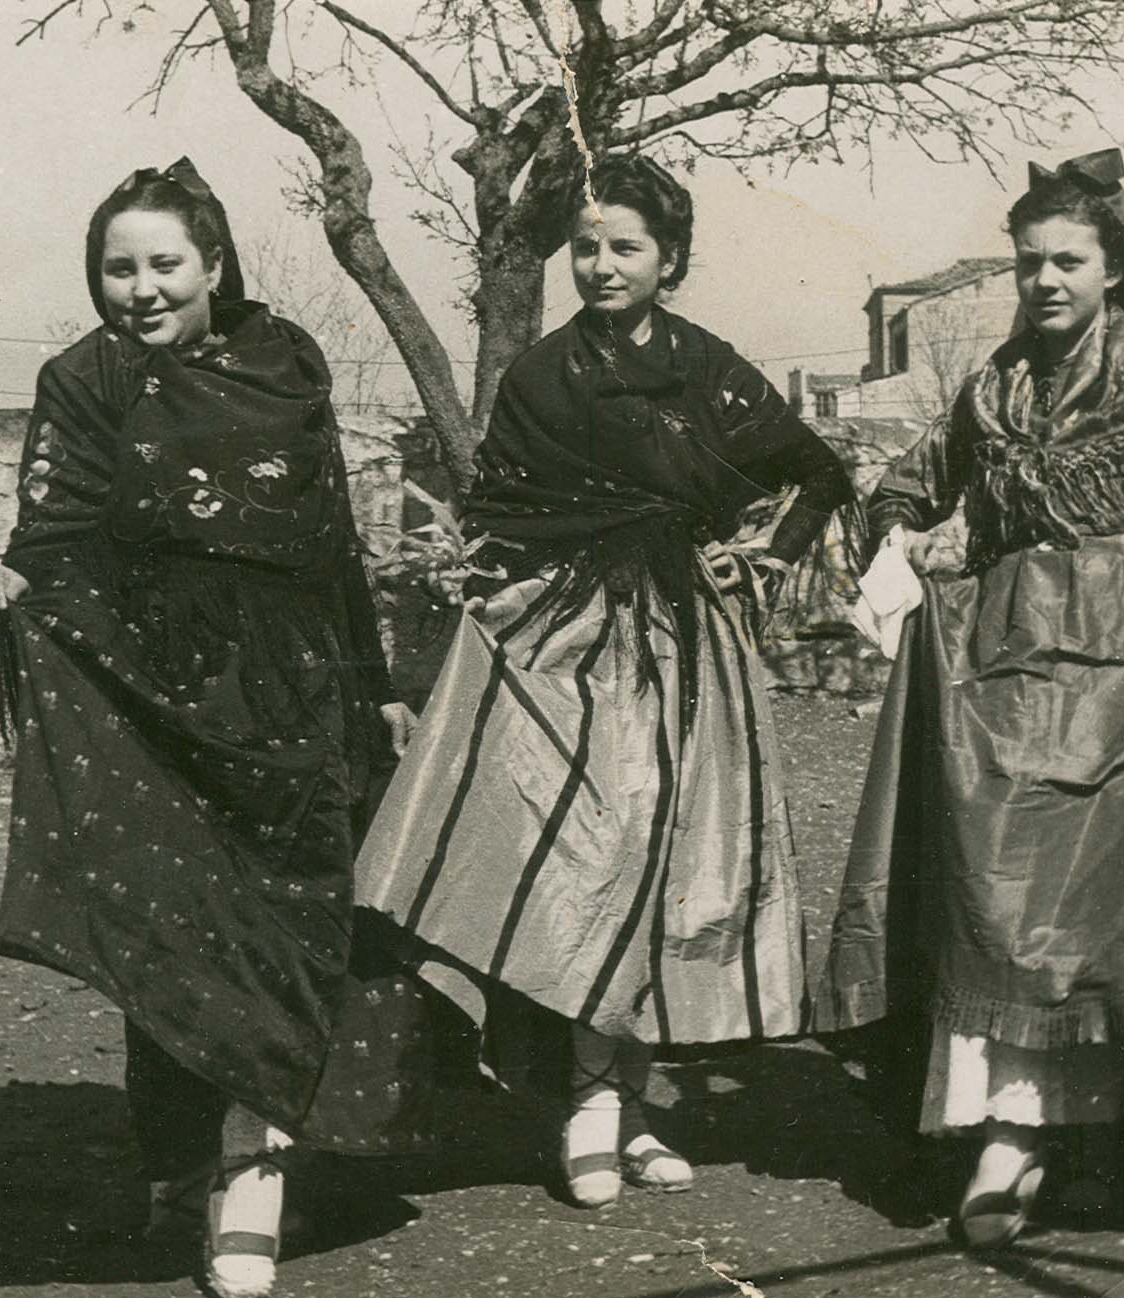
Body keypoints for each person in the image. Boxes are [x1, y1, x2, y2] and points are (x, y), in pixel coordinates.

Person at [0, 158, 437, 1298]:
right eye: (117, 269)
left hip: (290, 687)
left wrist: (374, 681)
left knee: (279, 926)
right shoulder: (81, 379)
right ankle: (179, 1158)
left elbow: (332, 539)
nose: (142, 289)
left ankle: (252, 1170)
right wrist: (8, 580)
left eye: (164, 263)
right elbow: (53, 528)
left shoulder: (287, 363)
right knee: (174, 929)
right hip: (151, 692)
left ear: (213, 264)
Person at [354, 155, 859, 1209]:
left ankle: (623, 1104)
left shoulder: (707, 367)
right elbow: (496, 516)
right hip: (567, 644)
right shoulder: (539, 377)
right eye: (585, 246)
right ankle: (586, 1100)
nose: (601, 265)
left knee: (664, 864)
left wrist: (760, 560)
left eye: (625, 246)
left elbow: (819, 472)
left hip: (688, 647)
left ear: (670, 259)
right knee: (585, 859)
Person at [823, 149, 1124, 1249]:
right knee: (1001, 898)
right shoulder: (994, 386)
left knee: (1119, 904)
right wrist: (899, 539)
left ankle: (1122, 1134)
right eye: (1029, 262)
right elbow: (915, 478)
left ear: (1110, 268)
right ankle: (1013, 1133)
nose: (1045, 280)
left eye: (1068, 262)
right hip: (1004, 666)